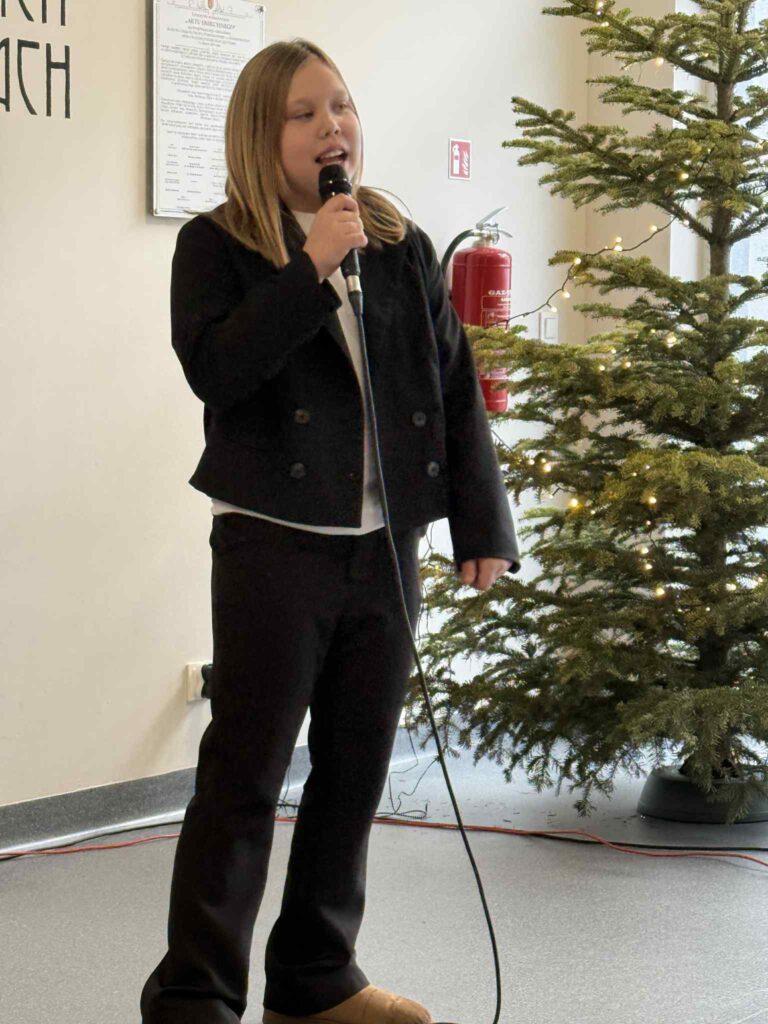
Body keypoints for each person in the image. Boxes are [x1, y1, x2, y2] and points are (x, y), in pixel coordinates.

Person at [140, 37, 520, 1024]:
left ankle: (315, 978)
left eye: (341, 106)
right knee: (245, 776)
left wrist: (481, 519)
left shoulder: (397, 243)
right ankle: (195, 996)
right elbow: (220, 371)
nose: (331, 127)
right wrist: (310, 267)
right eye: (304, 113)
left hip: (384, 549)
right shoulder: (218, 246)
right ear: (260, 134)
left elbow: (452, 387)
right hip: (274, 545)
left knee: (355, 770)